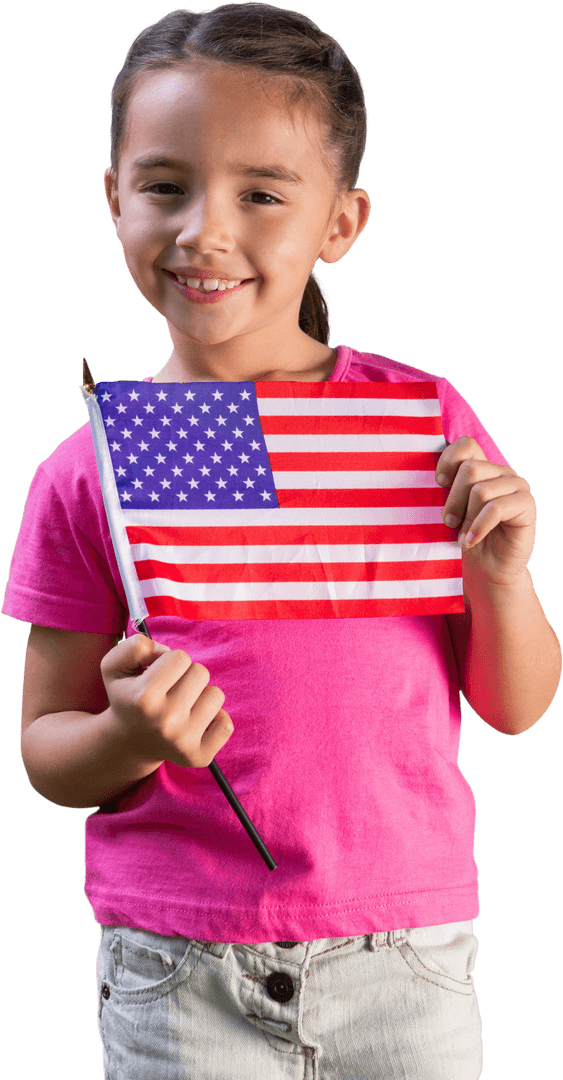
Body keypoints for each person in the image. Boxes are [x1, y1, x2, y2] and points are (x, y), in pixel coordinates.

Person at [2, 4, 561, 1078]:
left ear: (339, 222)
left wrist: (501, 577)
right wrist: (126, 738)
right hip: (178, 962)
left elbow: (515, 704)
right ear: (114, 198)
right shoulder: (92, 470)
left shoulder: (421, 423)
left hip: (405, 955)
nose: (204, 231)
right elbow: (44, 750)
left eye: (260, 194)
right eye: (164, 185)